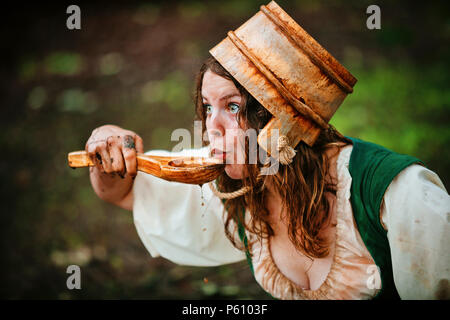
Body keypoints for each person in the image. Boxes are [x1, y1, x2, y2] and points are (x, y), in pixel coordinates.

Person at [84, 3, 449, 300]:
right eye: (207, 108)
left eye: (232, 107)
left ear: (281, 118)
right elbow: (127, 192)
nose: (211, 127)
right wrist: (106, 147)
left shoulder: (399, 195)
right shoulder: (242, 190)